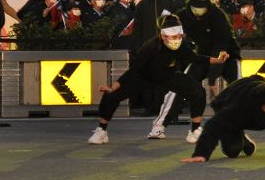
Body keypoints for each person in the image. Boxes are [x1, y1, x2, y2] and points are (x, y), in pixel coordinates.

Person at [88, 16, 228, 145]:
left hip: (168, 77)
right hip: (144, 77)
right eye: (172, 37)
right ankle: (101, 130)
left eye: (179, 36)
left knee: (198, 92)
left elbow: (195, 58)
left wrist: (218, 60)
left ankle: (195, 131)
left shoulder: (181, 45)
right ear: (163, 36)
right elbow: (133, 71)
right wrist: (113, 87)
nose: (176, 40)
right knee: (111, 95)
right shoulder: (150, 48)